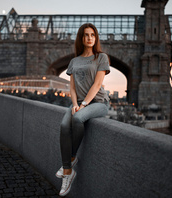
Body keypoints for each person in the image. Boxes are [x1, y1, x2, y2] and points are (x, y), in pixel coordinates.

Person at [56, 23, 110, 196]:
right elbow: (71, 87)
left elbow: (98, 84)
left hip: (98, 103)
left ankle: (68, 165)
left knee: (77, 119)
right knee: (65, 125)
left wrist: (84, 104)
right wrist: (74, 104)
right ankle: (69, 169)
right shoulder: (74, 61)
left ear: (96, 38)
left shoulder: (101, 57)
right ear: (81, 38)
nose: (89, 38)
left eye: (93, 35)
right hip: (79, 103)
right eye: (86, 35)